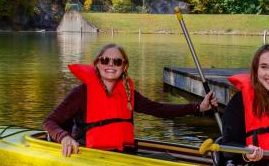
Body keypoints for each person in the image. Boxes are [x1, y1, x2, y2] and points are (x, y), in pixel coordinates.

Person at [44, 43, 217, 156]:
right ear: (97, 63)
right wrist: (64, 137)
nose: (110, 65)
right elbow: (50, 122)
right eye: (105, 60)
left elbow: (160, 109)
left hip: (124, 155)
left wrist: (198, 107)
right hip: (90, 155)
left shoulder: (127, 93)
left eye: (117, 62)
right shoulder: (81, 93)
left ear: (124, 66)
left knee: (168, 158)